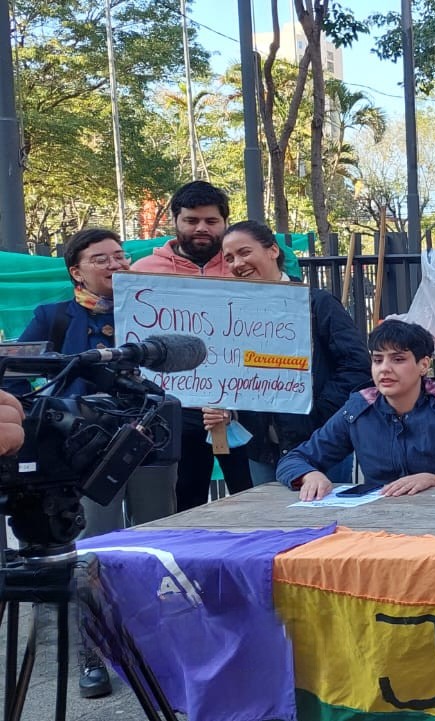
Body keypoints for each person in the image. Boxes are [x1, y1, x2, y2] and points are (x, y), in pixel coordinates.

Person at [12, 228, 177, 698]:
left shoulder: (157, 310)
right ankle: (94, 651)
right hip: (83, 455)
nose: (114, 264)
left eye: (120, 256)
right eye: (100, 258)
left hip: (149, 445)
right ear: (76, 271)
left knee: (154, 545)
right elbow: (24, 381)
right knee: (93, 553)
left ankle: (157, 649)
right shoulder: (53, 318)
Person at [216, 221, 368, 488]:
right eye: (229, 258)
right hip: (261, 448)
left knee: (327, 525)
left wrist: (318, 413)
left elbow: (357, 365)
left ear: (273, 250)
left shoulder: (317, 303)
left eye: (245, 252)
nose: (237, 263)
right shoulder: (233, 314)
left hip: (320, 446)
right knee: (272, 526)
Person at [130, 181, 250, 510]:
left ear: (225, 223)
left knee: (254, 497)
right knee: (186, 502)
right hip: (176, 409)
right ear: (176, 220)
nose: (201, 228)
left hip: (242, 405)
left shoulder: (243, 269)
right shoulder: (142, 273)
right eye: (192, 220)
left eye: (211, 221)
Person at [276, 320, 435, 500]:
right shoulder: (359, 409)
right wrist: (310, 475)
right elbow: (293, 459)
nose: (384, 368)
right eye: (378, 360)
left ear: (423, 365)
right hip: (377, 522)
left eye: (398, 359)